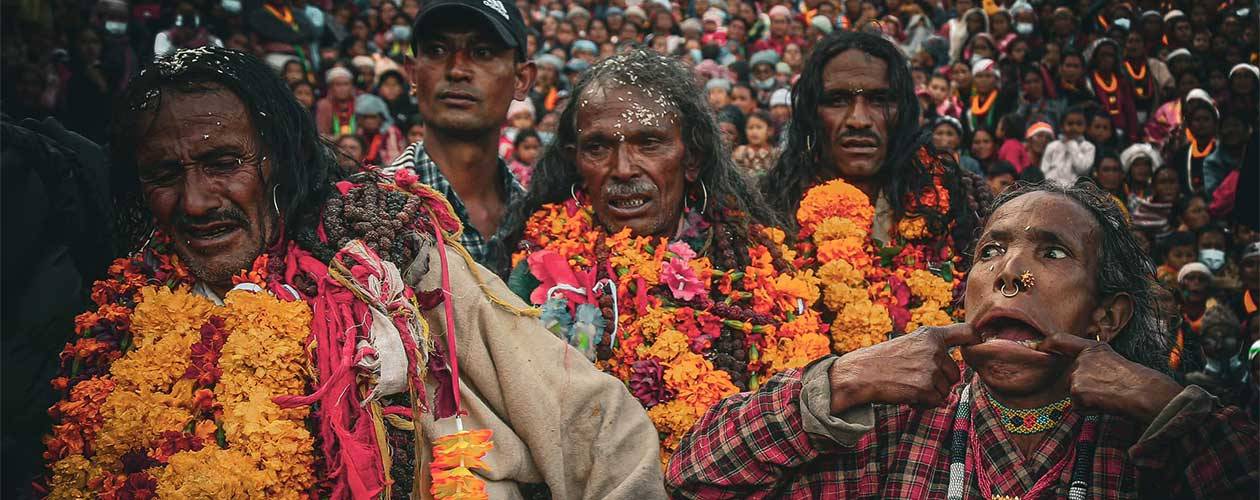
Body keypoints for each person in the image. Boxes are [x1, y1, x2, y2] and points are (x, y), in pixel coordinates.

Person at [41, 47, 664, 499]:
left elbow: (594, 422)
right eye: (165, 174)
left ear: (278, 161)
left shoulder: (393, 261)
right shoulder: (118, 318)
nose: (197, 200)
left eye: (223, 162)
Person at [667, 181, 1259, 498]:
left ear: (1107, 316)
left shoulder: (1153, 445)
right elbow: (695, 479)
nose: (1010, 273)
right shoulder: (899, 424)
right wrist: (844, 377)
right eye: (992, 251)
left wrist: (1167, 405)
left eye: (1051, 252)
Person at [501, 48, 817, 461]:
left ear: (692, 160)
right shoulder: (540, 272)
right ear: (576, 162)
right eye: (598, 147)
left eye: (649, 144)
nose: (624, 169)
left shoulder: (758, 263)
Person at [761, 31, 986, 258]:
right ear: (811, 114)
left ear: (904, 113)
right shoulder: (767, 211)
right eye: (837, 100)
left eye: (879, 100)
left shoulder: (955, 206)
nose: (859, 120)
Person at [386, 0, 537, 272]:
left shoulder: (541, 222)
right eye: (437, 50)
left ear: (521, 79)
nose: (457, 70)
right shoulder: (367, 209)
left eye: (482, 52)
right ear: (412, 72)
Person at [1040, 106, 1095, 186]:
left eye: (1079, 124)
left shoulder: (1088, 147)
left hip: (1076, 192)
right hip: (1052, 190)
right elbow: (1044, 170)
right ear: (1062, 126)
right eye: (1070, 123)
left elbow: (1082, 169)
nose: (1074, 127)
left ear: (1085, 126)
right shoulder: (1052, 146)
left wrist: (1072, 145)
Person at [153, 1, 223, 59]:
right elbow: (160, 58)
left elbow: (220, 59)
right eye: (182, 28)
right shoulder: (164, 36)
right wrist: (178, 45)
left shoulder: (212, 40)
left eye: (190, 28)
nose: (186, 31)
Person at [354, 93, 405, 166]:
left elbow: (394, 161)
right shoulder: (359, 132)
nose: (369, 121)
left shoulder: (391, 132)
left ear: (381, 118)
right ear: (359, 119)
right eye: (365, 117)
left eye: (373, 117)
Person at [314, 66, 357, 137]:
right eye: (338, 84)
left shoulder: (358, 102)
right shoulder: (324, 105)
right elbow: (322, 135)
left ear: (351, 86)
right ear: (330, 87)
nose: (342, 88)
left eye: (346, 84)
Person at [732, 110, 778, 174]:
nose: (754, 132)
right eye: (750, 128)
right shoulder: (740, 152)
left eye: (759, 127)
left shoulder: (775, 154)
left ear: (770, 131)